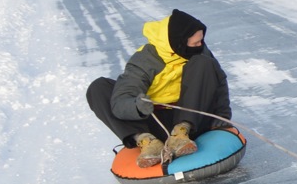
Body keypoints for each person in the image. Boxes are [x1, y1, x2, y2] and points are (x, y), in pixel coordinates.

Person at [86, 9, 233, 165]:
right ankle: (148, 141)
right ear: (179, 42)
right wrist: (137, 107)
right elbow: (121, 100)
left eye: (201, 41)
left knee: (203, 63)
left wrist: (222, 115)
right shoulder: (145, 60)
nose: (200, 45)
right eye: (195, 43)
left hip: (193, 119)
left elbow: (218, 80)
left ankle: (181, 133)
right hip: (155, 121)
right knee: (99, 87)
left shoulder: (200, 52)